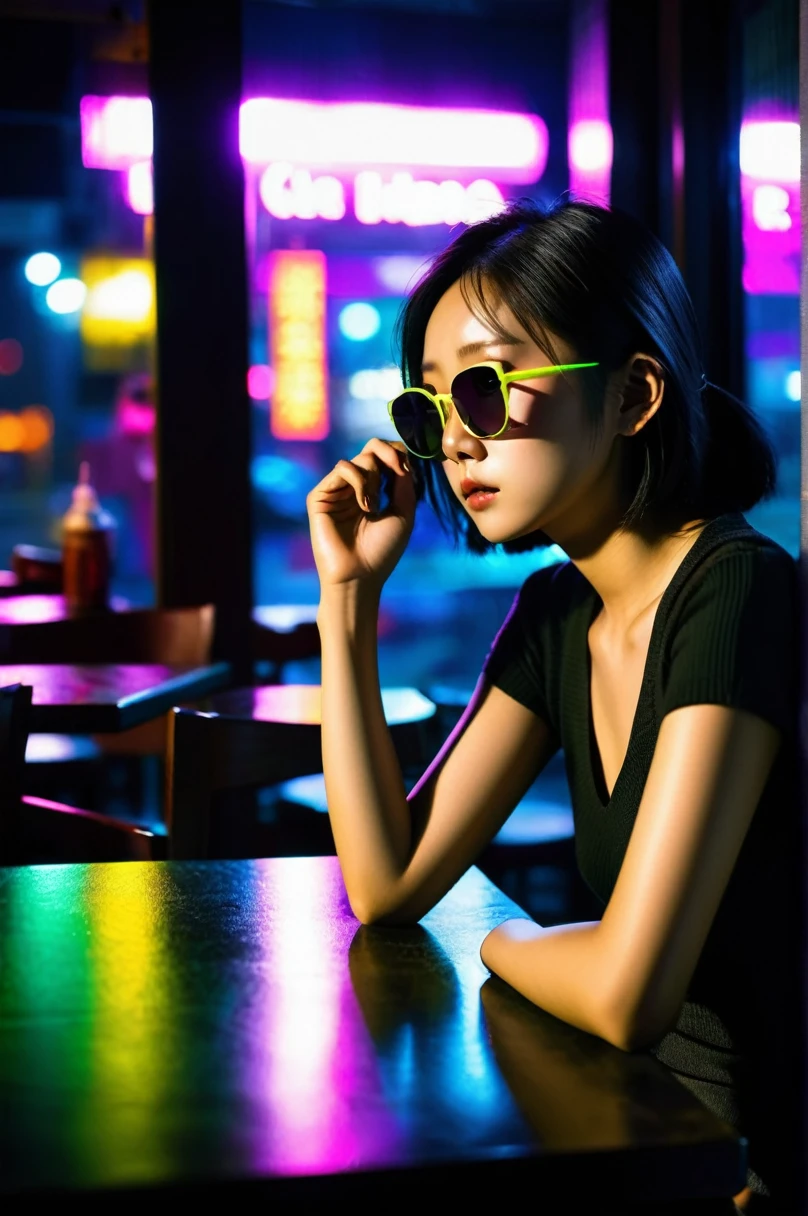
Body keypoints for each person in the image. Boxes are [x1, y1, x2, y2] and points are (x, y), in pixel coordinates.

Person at [306, 199, 801, 1213]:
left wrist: (500, 938)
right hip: (637, 1123)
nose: (453, 440)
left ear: (631, 395)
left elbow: (627, 991)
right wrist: (347, 600)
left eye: (485, 390)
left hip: (752, 1163)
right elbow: (389, 880)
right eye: (431, 404)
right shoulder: (556, 613)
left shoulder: (738, 588)